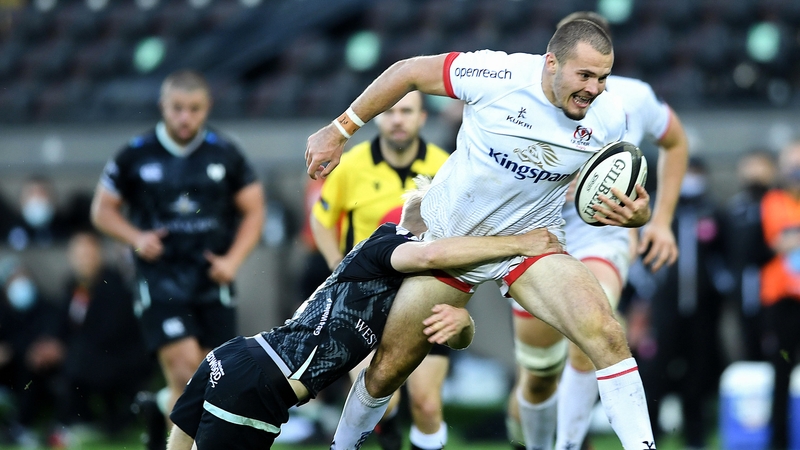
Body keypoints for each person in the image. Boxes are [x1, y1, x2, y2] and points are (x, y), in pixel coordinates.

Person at [306, 19, 658, 450]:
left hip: (531, 246)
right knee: (388, 370)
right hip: (451, 244)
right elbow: (409, 71)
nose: (595, 88)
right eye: (584, 75)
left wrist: (636, 215)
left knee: (607, 333)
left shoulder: (609, 117)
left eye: (602, 77)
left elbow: (603, 193)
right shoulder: (498, 74)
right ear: (551, 64)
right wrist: (339, 130)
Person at [166, 177, 564, 450]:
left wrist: (464, 324)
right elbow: (431, 252)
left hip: (242, 360)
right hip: (257, 380)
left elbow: (450, 330)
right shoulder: (386, 244)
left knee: (180, 438)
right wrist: (518, 242)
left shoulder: (411, 282)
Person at [504, 11, 688, 450]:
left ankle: (568, 445)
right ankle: (529, 439)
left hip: (602, 234)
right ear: (556, 59)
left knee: (596, 324)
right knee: (538, 377)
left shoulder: (633, 98)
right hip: (537, 236)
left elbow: (676, 141)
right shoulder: (520, 99)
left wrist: (659, 220)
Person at [90, 69, 265, 450]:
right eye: (177, 109)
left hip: (212, 276)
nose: (185, 117)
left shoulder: (226, 153)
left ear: (207, 108)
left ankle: (157, 410)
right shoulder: (136, 153)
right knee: (188, 373)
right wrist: (136, 237)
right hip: (161, 278)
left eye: (194, 109)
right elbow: (102, 210)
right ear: (163, 108)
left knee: (214, 378)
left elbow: (254, 210)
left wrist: (233, 260)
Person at [310, 91, 452, 450]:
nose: (398, 119)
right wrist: (336, 266)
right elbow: (321, 219)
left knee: (426, 404)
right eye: (390, 112)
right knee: (380, 401)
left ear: (422, 118)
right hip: (366, 301)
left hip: (426, 294)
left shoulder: (446, 165)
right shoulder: (352, 164)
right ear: (377, 119)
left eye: (407, 111)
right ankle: (386, 434)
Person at [636, 156, 726, 448]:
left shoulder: (712, 213)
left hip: (702, 311)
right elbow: (638, 259)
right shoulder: (659, 215)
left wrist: (719, 285)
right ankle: (649, 439)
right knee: (655, 375)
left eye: (697, 173)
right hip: (664, 310)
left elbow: (726, 260)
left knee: (698, 375)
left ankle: (696, 438)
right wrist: (651, 288)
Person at [49, 230, 153, 442]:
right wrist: (52, 344)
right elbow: (63, 325)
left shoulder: (114, 285)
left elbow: (111, 331)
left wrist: (66, 348)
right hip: (85, 358)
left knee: (75, 362)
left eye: (88, 253)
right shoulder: (73, 286)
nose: (83, 260)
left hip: (119, 358)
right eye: (78, 255)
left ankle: (75, 425)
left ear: (98, 254)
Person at [760, 140, 800, 450]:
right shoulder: (774, 200)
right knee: (781, 375)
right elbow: (781, 242)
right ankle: (778, 443)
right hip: (782, 302)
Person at [722, 149, 776, 361]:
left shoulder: (780, 204)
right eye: (750, 166)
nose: (755, 172)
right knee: (748, 339)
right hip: (744, 286)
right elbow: (725, 249)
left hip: (779, 287)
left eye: (760, 166)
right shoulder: (734, 210)